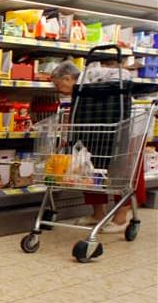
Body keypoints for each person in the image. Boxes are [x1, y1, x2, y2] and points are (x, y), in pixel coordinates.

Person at [50, 60, 146, 233]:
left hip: (127, 126)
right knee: (89, 168)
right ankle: (98, 214)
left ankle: (121, 218)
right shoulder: (83, 92)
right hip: (97, 128)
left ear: (67, 79)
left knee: (124, 171)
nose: (58, 90)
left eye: (58, 85)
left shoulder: (94, 83)